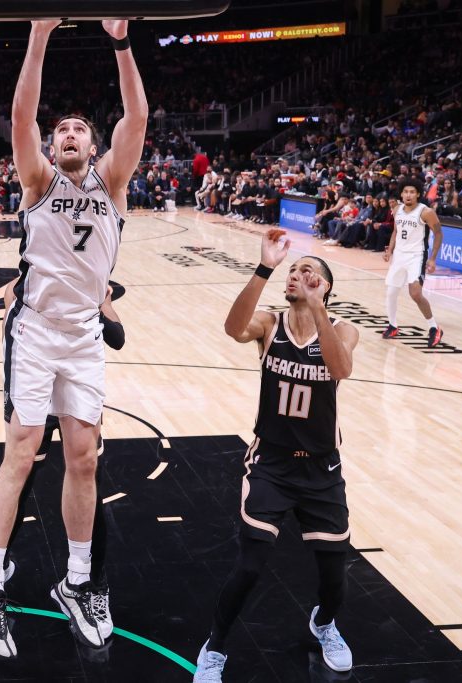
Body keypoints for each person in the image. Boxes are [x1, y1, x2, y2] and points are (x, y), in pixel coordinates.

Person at [0, 18, 147, 659]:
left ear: (94, 146)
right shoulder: (39, 182)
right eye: (59, 131)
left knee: (83, 459)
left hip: (85, 337)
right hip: (37, 332)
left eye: (79, 130)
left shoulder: (113, 183)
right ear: (50, 146)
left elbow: (137, 115)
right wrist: (40, 33)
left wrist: (121, 41)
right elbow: (21, 113)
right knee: (20, 451)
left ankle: (77, 582)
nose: (68, 134)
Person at [193, 229, 359, 682]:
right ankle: (215, 647)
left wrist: (319, 308)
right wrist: (264, 267)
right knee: (249, 566)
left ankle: (323, 625)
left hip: (322, 468)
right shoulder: (269, 325)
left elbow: (339, 369)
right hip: (273, 463)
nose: (297, 276)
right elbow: (232, 329)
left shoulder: (344, 329)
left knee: (335, 580)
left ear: (324, 285)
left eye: (308, 271)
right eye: (292, 271)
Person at [0, 280, 125, 632]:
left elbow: (118, 338)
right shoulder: (19, 291)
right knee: (20, 487)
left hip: (77, 403)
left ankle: (95, 585)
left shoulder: (90, 291)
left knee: (91, 495)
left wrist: (102, 303)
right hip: (33, 401)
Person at [381, 178, 444, 347]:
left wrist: (432, 258)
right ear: (401, 194)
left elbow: (438, 234)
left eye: (412, 192)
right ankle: (393, 325)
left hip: (416, 256)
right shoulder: (397, 209)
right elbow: (395, 231)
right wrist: (390, 250)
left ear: (417, 194)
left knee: (415, 293)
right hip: (399, 256)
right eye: (406, 192)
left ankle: (434, 328)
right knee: (391, 292)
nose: (408, 195)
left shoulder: (426, 212)